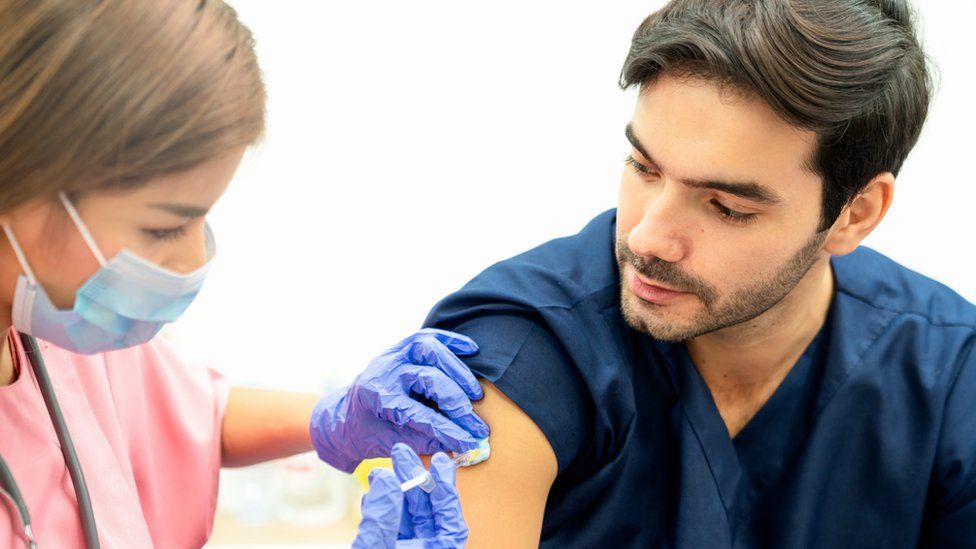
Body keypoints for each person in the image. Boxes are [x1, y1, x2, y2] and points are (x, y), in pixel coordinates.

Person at [420, 0, 976, 547]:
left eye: (727, 207)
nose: (646, 239)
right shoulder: (527, 344)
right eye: (644, 168)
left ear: (853, 215)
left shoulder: (948, 377)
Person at [0, 1, 481, 547]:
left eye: (202, 217)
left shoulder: (60, 323)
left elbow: (190, 420)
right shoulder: (70, 304)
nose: (191, 261)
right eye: (163, 229)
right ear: (17, 181)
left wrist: (338, 417)